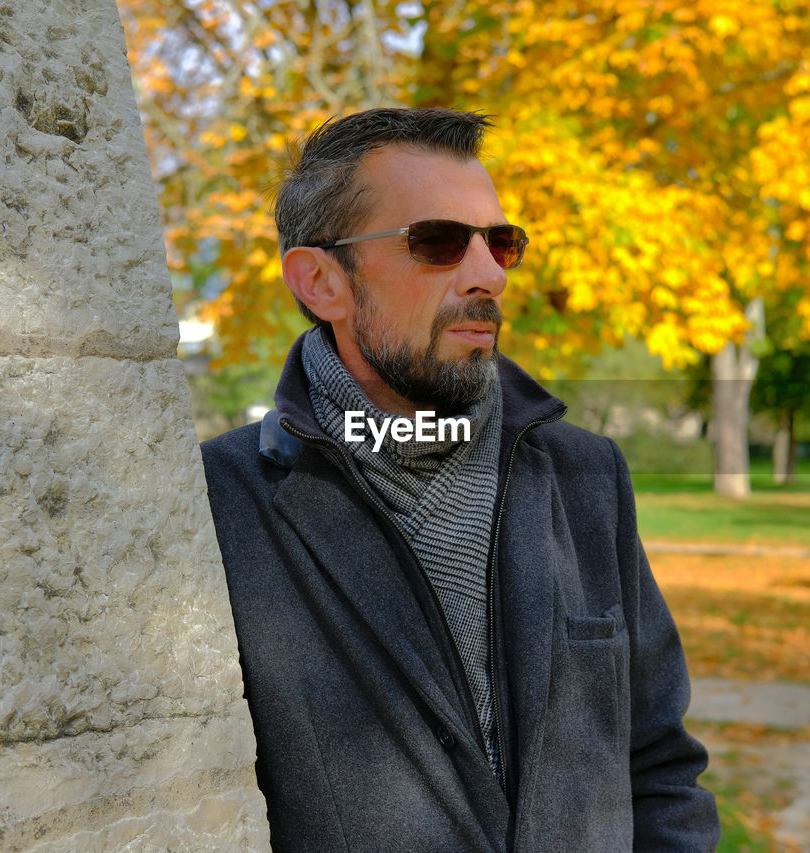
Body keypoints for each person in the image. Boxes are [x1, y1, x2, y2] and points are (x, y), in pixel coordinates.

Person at [200, 107, 721, 852]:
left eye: (501, 243)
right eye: (438, 243)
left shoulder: (585, 475)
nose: (488, 275)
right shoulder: (221, 505)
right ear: (321, 281)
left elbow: (659, 763)